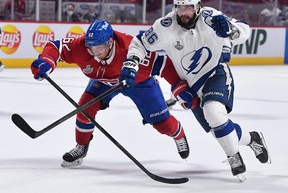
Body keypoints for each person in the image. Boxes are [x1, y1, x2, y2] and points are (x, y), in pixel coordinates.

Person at [119, 0, 271, 181]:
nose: (183, 12)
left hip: (215, 73)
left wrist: (231, 29)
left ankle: (233, 156)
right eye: (179, 7)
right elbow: (140, 43)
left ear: (198, 6)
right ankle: (253, 139)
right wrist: (132, 60)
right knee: (217, 129)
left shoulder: (210, 17)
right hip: (191, 84)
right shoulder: (165, 26)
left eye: (188, 7)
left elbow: (244, 30)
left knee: (214, 114)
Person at [30, 20, 190, 167]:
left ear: (111, 42)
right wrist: (47, 61)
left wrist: (179, 88)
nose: (94, 53)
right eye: (91, 48)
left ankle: (179, 135)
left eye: (99, 48)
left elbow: (164, 65)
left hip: (139, 83)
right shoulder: (81, 47)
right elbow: (56, 47)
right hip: (105, 82)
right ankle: (81, 147)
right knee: (85, 107)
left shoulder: (131, 48)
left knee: (163, 124)